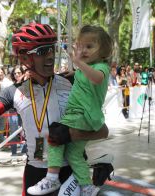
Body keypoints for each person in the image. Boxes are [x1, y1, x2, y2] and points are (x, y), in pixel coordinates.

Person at [0, 23, 109, 195]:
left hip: (72, 173)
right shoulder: (13, 92)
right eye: (43, 52)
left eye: (52, 49)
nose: (51, 56)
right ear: (24, 57)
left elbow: (103, 131)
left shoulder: (73, 83)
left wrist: (71, 135)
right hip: (36, 174)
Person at [27, 25, 113, 195]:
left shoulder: (101, 67)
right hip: (84, 118)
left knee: (56, 136)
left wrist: (79, 63)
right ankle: (87, 186)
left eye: (90, 47)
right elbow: (86, 79)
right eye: (82, 46)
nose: (84, 51)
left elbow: (97, 78)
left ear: (103, 51)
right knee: (74, 154)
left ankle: (52, 177)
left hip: (81, 115)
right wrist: (75, 71)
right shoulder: (83, 70)